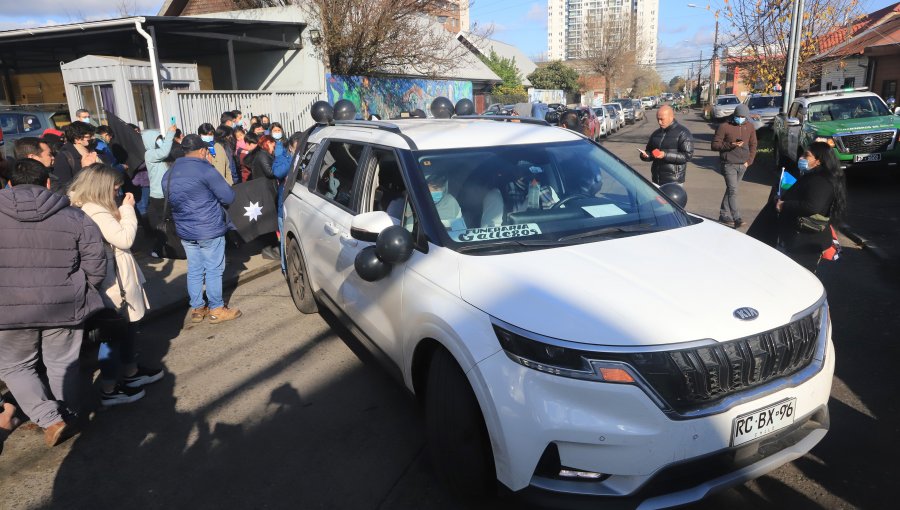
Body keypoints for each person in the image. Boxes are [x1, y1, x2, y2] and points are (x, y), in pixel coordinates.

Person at [0, 159, 106, 446]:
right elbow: (96, 264)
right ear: (47, 182)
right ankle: (67, 415)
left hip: (6, 310)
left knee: (14, 367)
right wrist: (81, 289)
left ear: (9, 183)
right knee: (63, 363)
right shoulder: (74, 216)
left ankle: (50, 418)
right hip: (64, 304)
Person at [67, 164, 164, 405]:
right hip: (114, 282)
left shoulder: (84, 207)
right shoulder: (96, 211)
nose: (118, 191)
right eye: (115, 187)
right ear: (101, 187)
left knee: (127, 329)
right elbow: (124, 239)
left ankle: (131, 373)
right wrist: (128, 210)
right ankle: (109, 388)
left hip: (117, 278)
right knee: (112, 335)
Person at [163, 135, 241, 324]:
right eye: (206, 150)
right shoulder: (206, 170)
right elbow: (228, 197)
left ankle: (197, 308)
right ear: (201, 151)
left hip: (185, 229)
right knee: (213, 269)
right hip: (208, 227)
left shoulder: (170, 172)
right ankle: (216, 308)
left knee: (195, 268)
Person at [775, 141, 847, 273]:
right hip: (797, 238)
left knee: (799, 278)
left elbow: (812, 206)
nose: (801, 158)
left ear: (819, 161)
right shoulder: (813, 176)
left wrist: (784, 205)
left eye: (806, 155)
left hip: (805, 242)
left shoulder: (821, 180)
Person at [711, 103, 758, 228]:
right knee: (733, 190)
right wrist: (731, 144)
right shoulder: (724, 127)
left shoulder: (750, 126)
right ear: (734, 115)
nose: (741, 118)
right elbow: (715, 145)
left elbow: (753, 144)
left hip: (743, 164)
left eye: (743, 117)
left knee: (731, 190)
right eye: (738, 116)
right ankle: (737, 218)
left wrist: (750, 161)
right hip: (728, 164)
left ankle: (723, 214)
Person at [144, 124, 177, 256]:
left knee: (168, 222)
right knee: (164, 223)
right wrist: (170, 134)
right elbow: (164, 151)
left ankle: (168, 247)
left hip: (167, 192)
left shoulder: (160, 155)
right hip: (159, 195)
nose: (160, 140)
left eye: (160, 138)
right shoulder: (150, 154)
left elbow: (166, 151)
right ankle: (158, 249)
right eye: (157, 138)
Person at [639, 104, 693, 185]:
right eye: (658, 119)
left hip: (674, 181)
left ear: (671, 117)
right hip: (656, 180)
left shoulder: (683, 133)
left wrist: (665, 155)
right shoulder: (656, 133)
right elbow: (649, 151)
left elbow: (687, 156)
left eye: (662, 119)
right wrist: (645, 155)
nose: (659, 122)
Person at [53, 121, 99, 186]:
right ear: (77, 139)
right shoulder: (64, 158)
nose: (93, 138)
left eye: (93, 135)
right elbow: (65, 185)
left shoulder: (96, 151)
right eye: (89, 136)